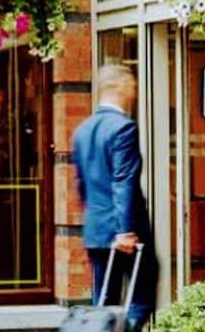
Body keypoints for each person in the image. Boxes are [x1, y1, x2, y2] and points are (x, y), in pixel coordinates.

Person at [72, 64, 159, 331]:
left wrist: (97, 220)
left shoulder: (82, 130)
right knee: (142, 297)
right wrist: (125, 230)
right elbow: (124, 180)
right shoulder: (123, 128)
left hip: (97, 230)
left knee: (104, 303)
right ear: (119, 86)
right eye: (131, 84)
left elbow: (82, 184)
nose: (134, 90)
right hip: (125, 233)